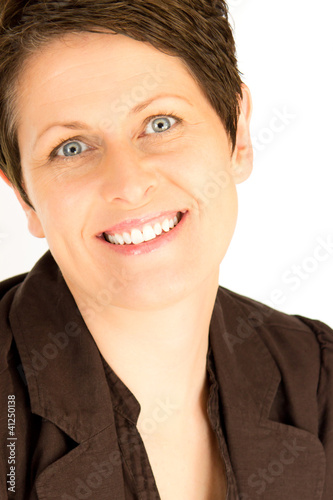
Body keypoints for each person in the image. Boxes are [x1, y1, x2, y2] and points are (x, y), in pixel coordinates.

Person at [0, 1, 332, 499]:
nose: (129, 185)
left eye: (160, 123)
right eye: (70, 147)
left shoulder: (319, 378)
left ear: (237, 133)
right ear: (24, 196)